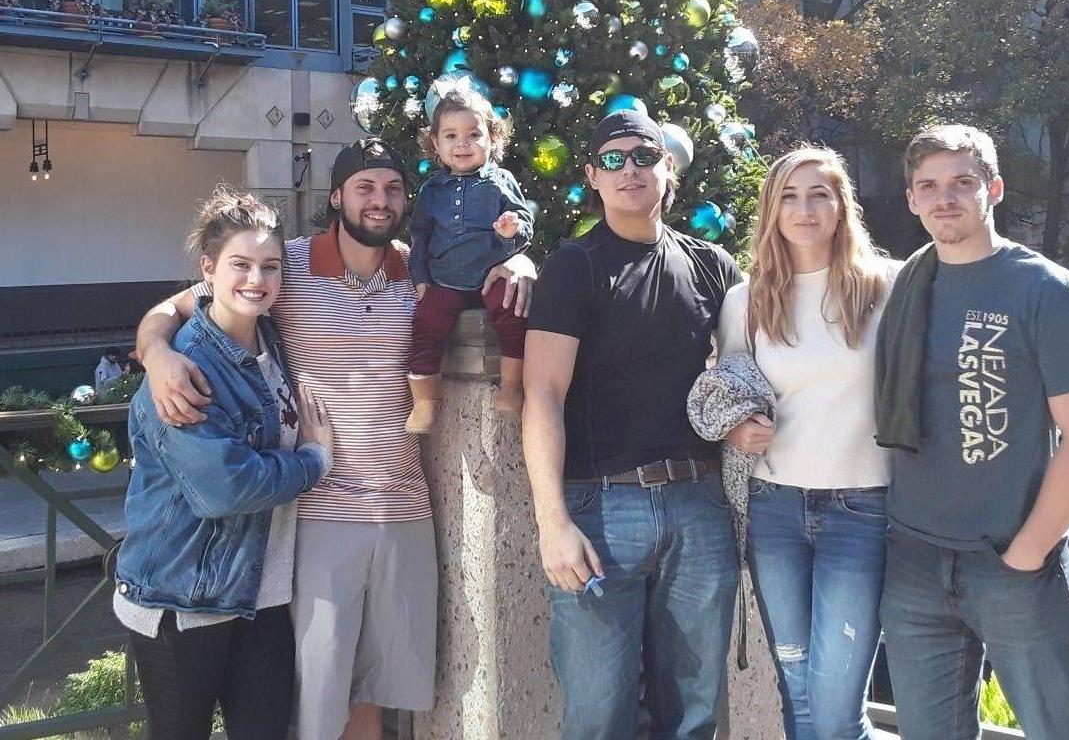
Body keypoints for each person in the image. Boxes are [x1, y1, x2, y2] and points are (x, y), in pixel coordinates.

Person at [135, 138, 535, 740]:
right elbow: (179, 305)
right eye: (365, 188)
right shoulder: (284, 266)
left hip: (406, 507)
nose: (380, 201)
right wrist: (157, 353)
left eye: (393, 189)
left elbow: (503, 270)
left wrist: (524, 260)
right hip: (321, 510)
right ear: (336, 197)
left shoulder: (422, 272)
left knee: (379, 690)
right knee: (318, 695)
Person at [877, 124, 1069, 740]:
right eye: (927, 186)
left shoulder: (1045, 290)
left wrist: (1029, 551)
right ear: (911, 200)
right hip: (914, 562)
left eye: (962, 182)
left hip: (1012, 564)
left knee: (1061, 730)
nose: (944, 198)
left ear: (994, 189)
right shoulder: (905, 285)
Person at [522, 110, 744, 740]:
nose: (630, 170)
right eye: (613, 160)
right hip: (600, 510)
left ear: (666, 166)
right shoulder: (574, 267)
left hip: (698, 505)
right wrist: (551, 523)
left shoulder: (713, 267)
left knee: (694, 714)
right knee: (599, 717)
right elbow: (542, 392)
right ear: (593, 176)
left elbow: (751, 367)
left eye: (643, 156)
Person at [115, 188, 333, 740]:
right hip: (184, 599)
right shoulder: (187, 370)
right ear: (208, 270)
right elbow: (227, 489)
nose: (256, 279)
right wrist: (314, 460)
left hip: (262, 595)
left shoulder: (270, 335)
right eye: (241, 265)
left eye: (270, 266)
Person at [718, 145, 896, 740]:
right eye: (790, 196)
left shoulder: (885, 288)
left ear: (842, 205)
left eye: (819, 194)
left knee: (838, 706)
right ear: (771, 211)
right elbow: (732, 394)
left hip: (863, 509)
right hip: (775, 509)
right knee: (797, 696)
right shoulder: (746, 301)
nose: (805, 209)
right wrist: (741, 428)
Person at [407, 89, 532, 433]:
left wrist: (510, 232)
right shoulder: (432, 191)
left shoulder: (500, 182)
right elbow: (420, 238)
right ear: (435, 143)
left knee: (512, 311)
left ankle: (511, 388)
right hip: (446, 280)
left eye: (474, 134)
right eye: (451, 136)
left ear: (493, 137)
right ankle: (425, 402)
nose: (462, 144)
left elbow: (523, 221)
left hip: (490, 275)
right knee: (426, 324)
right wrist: (420, 277)